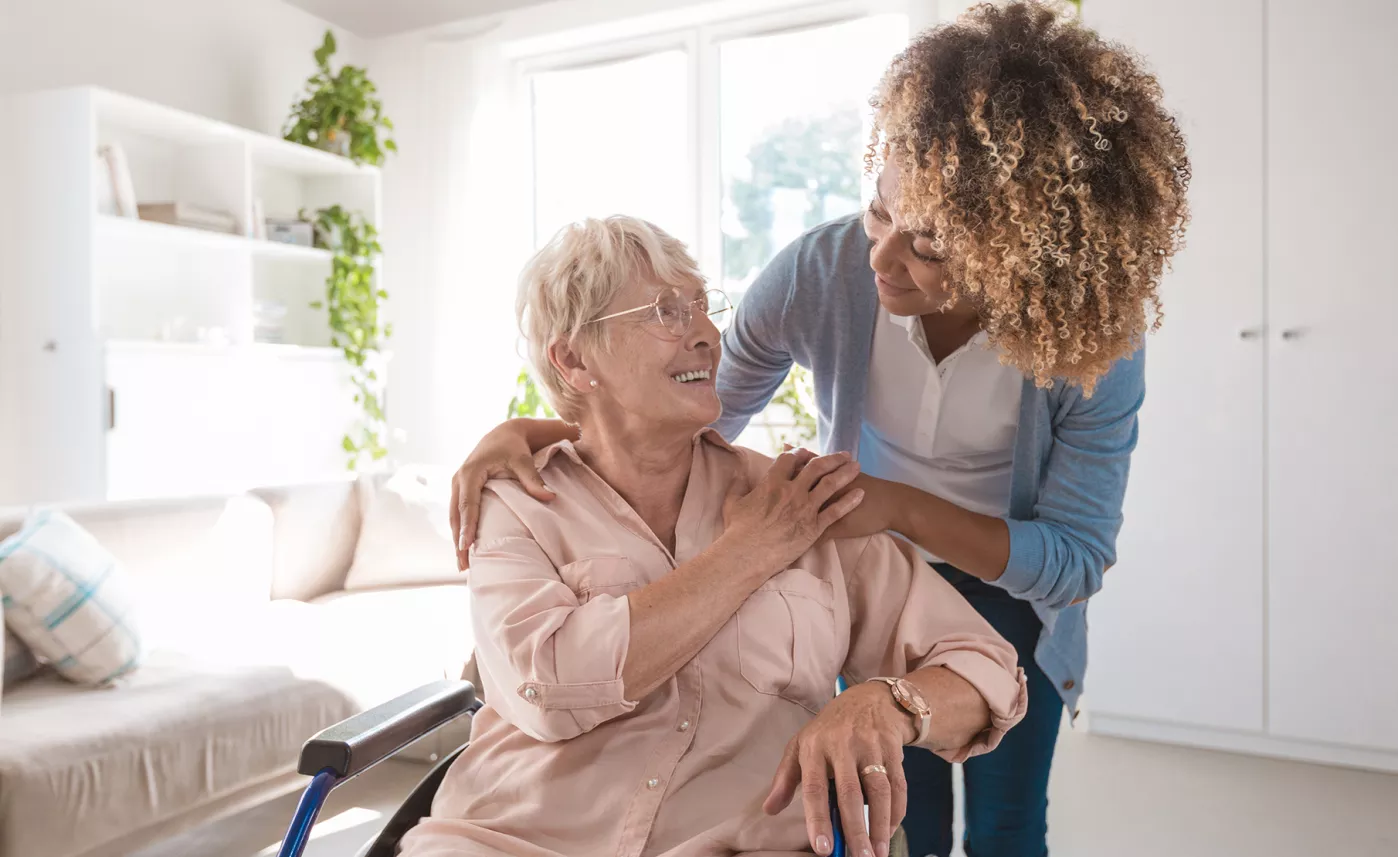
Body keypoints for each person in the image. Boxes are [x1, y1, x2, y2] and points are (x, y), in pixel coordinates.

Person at [448, 5, 1190, 856]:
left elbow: (1075, 557)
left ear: (1019, 254)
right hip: (858, 543)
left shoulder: (1091, 340)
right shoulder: (824, 269)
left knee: (1007, 825)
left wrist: (896, 509)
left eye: (930, 244)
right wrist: (545, 428)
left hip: (1003, 584)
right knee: (901, 817)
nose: (880, 257)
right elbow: (695, 406)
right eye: (879, 210)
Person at [402, 216, 1027, 857]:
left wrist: (888, 703)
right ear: (573, 358)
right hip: (506, 839)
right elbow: (553, 688)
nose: (705, 335)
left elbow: (988, 670)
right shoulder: (515, 502)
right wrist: (747, 553)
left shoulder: (800, 502)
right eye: (666, 312)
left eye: (703, 309)